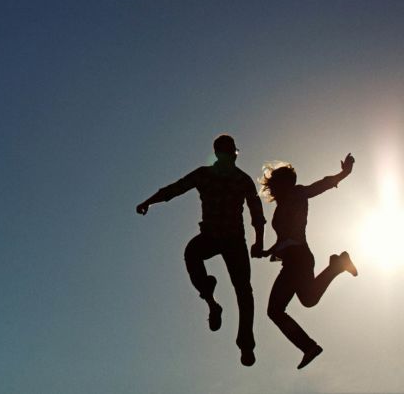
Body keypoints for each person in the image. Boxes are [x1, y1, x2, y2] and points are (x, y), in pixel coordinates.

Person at [135, 134, 266, 366]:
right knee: (192, 254)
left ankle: (246, 342)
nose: (233, 157)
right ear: (219, 154)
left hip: (233, 241)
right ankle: (212, 302)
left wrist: (259, 241)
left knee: (244, 290)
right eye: (230, 152)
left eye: (234, 153)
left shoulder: (242, 180)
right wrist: (149, 201)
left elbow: (257, 212)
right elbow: (174, 189)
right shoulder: (205, 174)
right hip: (213, 237)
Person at [257, 153, 358, 370]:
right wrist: (267, 251)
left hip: (298, 258)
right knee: (309, 299)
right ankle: (338, 265)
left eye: (275, 185)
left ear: (283, 185)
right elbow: (283, 239)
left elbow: (321, 185)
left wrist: (344, 173)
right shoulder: (281, 207)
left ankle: (309, 347)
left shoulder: (297, 193)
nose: (271, 190)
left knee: (275, 310)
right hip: (295, 259)